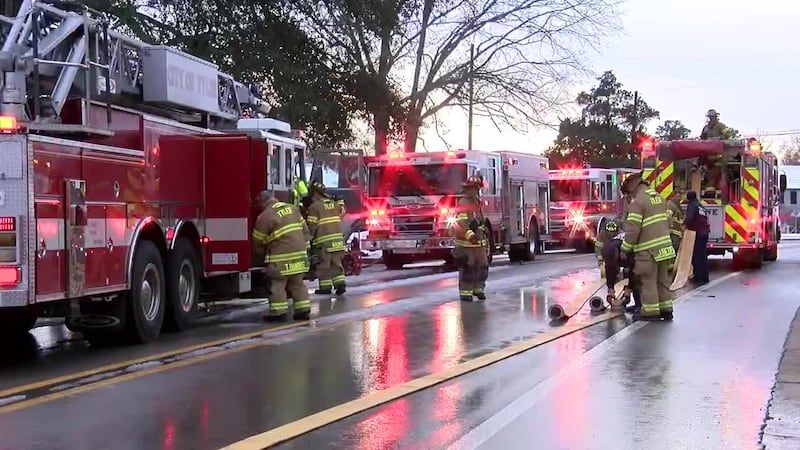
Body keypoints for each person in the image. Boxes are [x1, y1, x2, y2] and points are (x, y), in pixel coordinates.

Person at [620, 172, 676, 321]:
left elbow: (633, 230)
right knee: (662, 280)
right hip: (665, 248)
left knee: (648, 281)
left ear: (633, 188)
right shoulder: (659, 198)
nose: (628, 197)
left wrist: (625, 248)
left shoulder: (638, 203)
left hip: (648, 250)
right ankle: (666, 309)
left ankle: (650, 312)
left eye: (628, 194)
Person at [251, 190, 312, 321]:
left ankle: (278, 312)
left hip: (281, 258)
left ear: (263, 202)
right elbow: (305, 231)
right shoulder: (293, 209)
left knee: (277, 284)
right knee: (297, 283)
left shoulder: (265, 216)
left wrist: (259, 255)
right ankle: (303, 310)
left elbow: (257, 240)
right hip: (300, 255)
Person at [306, 181, 347, 295]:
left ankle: (325, 288)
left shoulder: (314, 207)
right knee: (336, 264)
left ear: (314, 193)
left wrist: (307, 239)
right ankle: (340, 284)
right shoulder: (334, 204)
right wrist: (341, 202)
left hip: (324, 244)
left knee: (323, 266)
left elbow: (311, 226)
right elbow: (342, 212)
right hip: (338, 242)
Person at [452, 176, 489, 301]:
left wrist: (483, 230)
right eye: (475, 188)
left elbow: (480, 220)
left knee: (482, 267)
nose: (478, 190)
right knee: (468, 268)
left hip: (479, 244)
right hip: (466, 244)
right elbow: (461, 222)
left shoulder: (477, 202)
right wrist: (470, 235)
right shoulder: (463, 202)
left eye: (478, 188)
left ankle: (478, 289)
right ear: (468, 189)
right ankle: (466, 293)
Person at [684, 190, 710, 285]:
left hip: (697, 233)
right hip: (704, 233)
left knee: (696, 256)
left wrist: (684, 225)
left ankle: (698, 277)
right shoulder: (700, 205)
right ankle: (705, 277)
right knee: (703, 256)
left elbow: (689, 217)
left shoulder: (692, 205)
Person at [666, 194, 685, 270]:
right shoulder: (670, 205)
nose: (679, 198)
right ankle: (670, 264)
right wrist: (669, 227)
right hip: (673, 231)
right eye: (677, 196)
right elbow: (668, 216)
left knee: (676, 247)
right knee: (674, 247)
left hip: (677, 231)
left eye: (680, 197)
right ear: (672, 197)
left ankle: (673, 264)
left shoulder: (676, 205)